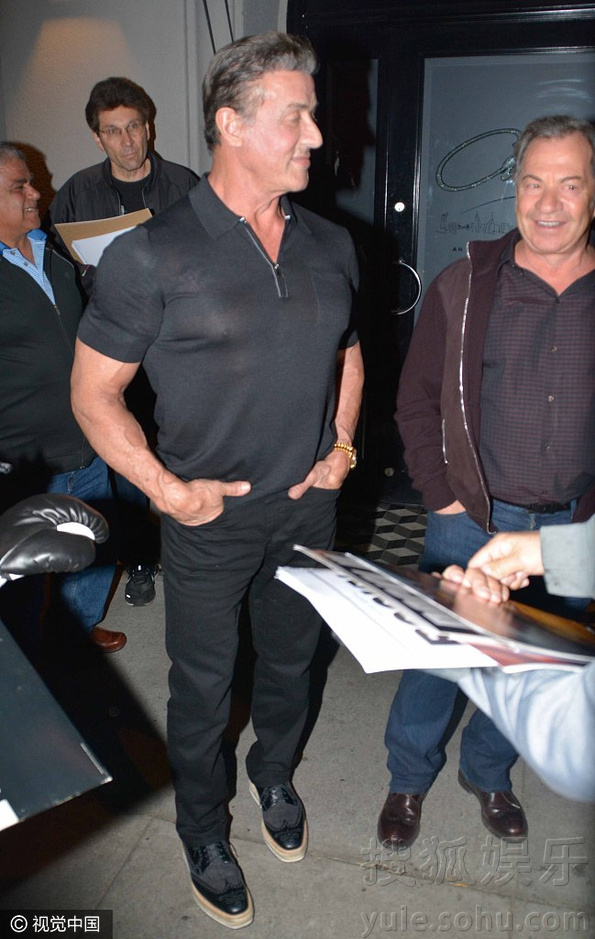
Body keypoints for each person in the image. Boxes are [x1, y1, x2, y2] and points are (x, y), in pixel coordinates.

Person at [70, 32, 364, 930]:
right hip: (206, 518)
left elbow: (347, 352)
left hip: (307, 510)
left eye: (312, 115)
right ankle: (203, 830)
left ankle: (273, 776)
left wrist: (342, 445)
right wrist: (165, 489)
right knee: (201, 689)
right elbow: (94, 393)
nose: (316, 135)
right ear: (230, 125)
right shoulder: (150, 254)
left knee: (291, 662)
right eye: (294, 117)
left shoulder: (331, 243)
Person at [378, 114, 595, 850]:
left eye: (569, 184)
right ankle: (407, 776)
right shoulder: (466, 285)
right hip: (469, 517)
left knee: (530, 660)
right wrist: (441, 497)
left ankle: (488, 772)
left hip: (571, 530)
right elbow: (415, 401)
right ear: (514, 189)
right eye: (533, 183)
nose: (548, 203)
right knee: (438, 660)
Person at [49, 76, 199, 608]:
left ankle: (194, 552)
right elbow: (61, 266)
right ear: (98, 137)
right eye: (113, 131)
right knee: (127, 454)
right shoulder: (77, 192)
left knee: (186, 447)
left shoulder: (184, 184)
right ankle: (139, 558)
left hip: (178, 339)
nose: (127, 141)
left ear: (149, 127)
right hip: (114, 342)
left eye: (134, 127)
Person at [0, 144, 124, 654]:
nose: (37, 193)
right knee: (24, 585)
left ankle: (76, 632)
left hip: (90, 440)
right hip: (24, 460)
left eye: (32, 181)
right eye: (20, 186)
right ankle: (29, 664)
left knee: (94, 549)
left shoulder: (54, 251)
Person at [438, 518, 595, 802]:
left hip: (573, 510)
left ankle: (483, 774)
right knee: (425, 692)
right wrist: (565, 550)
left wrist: (463, 641)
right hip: (475, 513)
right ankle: (407, 780)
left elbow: (578, 753)